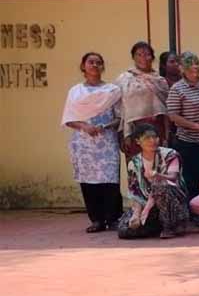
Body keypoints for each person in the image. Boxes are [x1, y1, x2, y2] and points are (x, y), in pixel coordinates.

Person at [62, 51, 123, 233]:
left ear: (103, 67)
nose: (95, 65)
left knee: (110, 180)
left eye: (98, 62)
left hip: (107, 141)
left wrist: (105, 126)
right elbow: (68, 118)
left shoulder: (112, 90)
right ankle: (96, 220)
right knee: (88, 181)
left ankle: (113, 218)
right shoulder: (75, 91)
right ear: (83, 66)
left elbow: (119, 117)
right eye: (91, 62)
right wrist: (85, 126)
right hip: (83, 143)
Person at [117, 123, 188, 239]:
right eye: (147, 138)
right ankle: (155, 225)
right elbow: (136, 193)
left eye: (155, 137)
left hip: (172, 201)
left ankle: (170, 226)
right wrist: (136, 214)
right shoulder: (134, 163)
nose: (152, 141)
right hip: (147, 204)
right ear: (138, 141)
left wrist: (158, 175)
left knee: (160, 186)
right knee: (124, 230)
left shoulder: (170, 155)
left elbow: (173, 177)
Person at [166, 51, 199, 225]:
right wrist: (198, 126)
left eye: (197, 63)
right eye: (190, 64)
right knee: (192, 179)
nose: (195, 67)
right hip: (188, 142)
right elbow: (173, 116)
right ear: (182, 69)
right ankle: (196, 213)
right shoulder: (177, 89)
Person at [116, 41, 169, 157]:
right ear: (133, 57)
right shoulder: (125, 79)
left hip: (158, 127)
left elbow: (166, 108)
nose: (143, 58)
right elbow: (120, 107)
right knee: (136, 164)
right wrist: (124, 133)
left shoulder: (160, 81)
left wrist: (166, 133)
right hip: (135, 129)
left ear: (152, 57)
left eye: (147, 54)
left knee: (159, 162)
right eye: (139, 54)